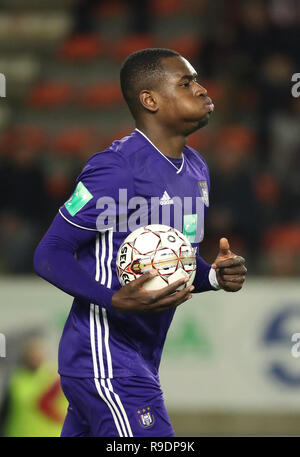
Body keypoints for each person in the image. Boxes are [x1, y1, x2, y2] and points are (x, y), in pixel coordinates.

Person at [34, 48, 247, 437]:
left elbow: (175, 261)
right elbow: (49, 253)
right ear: (150, 100)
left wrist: (213, 277)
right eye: (186, 83)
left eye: (197, 80)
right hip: (104, 357)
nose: (201, 90)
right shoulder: (116, 168)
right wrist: (113, 300)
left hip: (142, 357)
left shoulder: (196, 168)